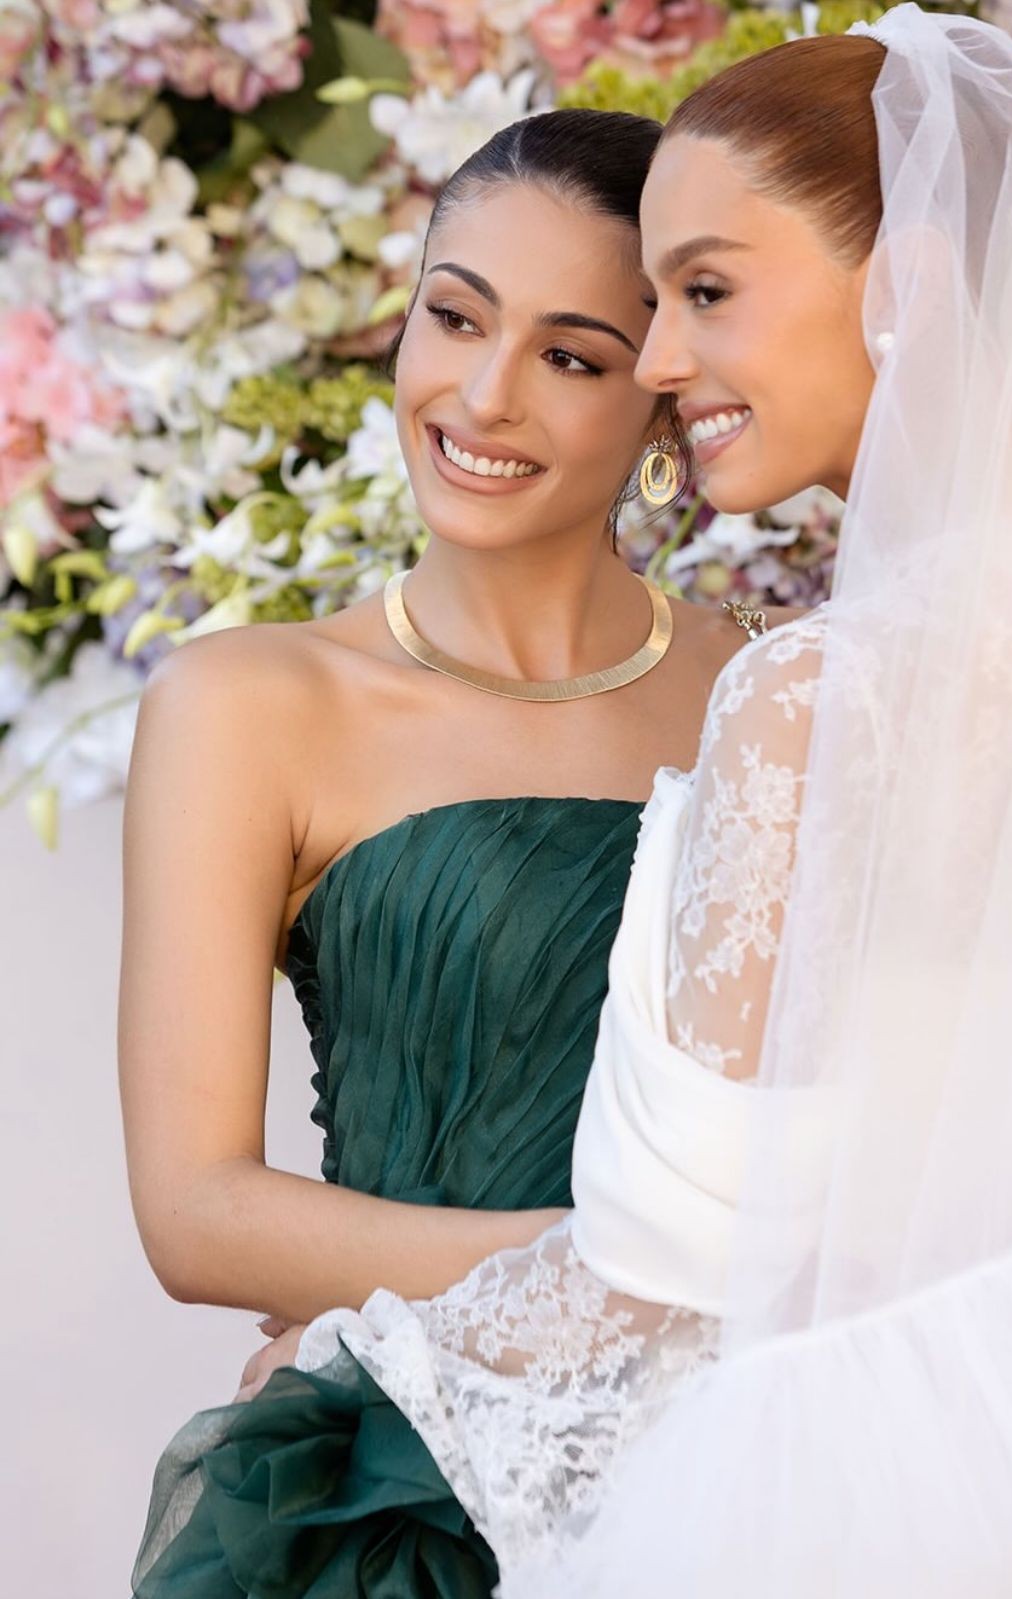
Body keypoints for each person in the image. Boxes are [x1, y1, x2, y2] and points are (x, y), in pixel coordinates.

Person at [274, 10, 1012, 1598]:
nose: (659, 363)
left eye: (706, 291)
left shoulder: (820, 694)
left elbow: (677, 1260)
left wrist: (357, 1359)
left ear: (912, 289)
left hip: (813, 1515)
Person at [122, 109, 776, 1597]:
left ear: (664, 398)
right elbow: (196, 1212)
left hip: (743, 1481)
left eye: (572, 357)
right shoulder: (249, 703)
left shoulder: (778, 691)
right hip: (403, 1495)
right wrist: (638, 1288)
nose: (482, 396)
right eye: (456, 317)